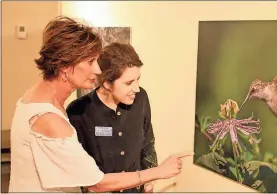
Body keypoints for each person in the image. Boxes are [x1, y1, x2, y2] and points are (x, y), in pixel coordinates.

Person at [8, 16, 190, 193]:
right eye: (90, 61)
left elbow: (146, 143)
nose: (97, 69)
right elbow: (97, 183)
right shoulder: (50, 119)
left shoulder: (34, 97)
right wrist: (157, 172)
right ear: (65, 67)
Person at [66, 42, 160, 193]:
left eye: (138, 79)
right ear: (107, 83)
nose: (136, 88)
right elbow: (75, 165)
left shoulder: (141, 98)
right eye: (129, 83)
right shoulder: (78, 111)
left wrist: (150, 181)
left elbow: (147, 143)